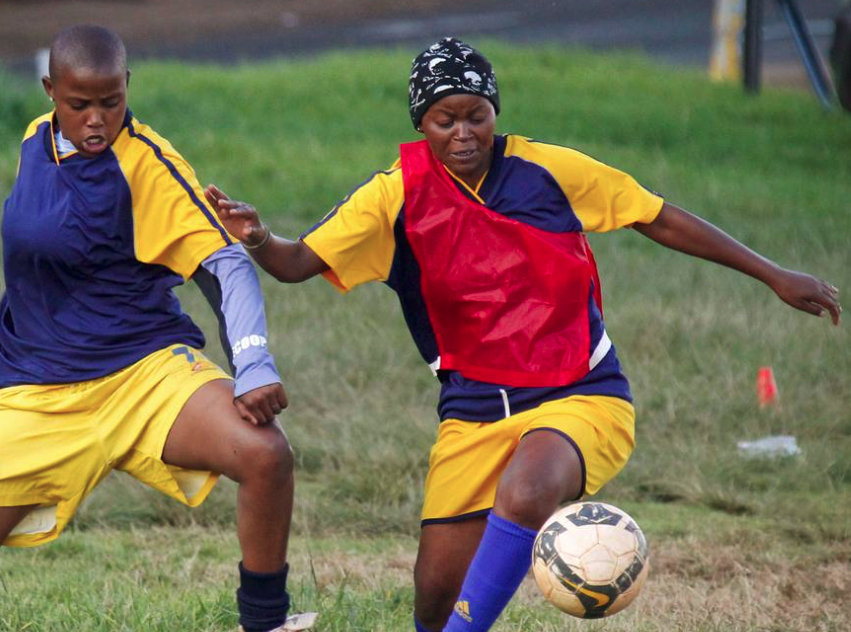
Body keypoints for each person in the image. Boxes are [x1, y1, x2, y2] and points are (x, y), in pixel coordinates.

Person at [204, 37, 842, 632]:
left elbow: (660, 218)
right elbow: (295, 264)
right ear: (419, 125)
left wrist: (773, 273)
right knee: (435, 599)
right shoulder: (393, 198)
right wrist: (258, 236)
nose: (462, 133)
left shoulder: (549, 170)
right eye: (443, 120)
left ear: (494, 111)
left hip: (579, 394)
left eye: (475, 115)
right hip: (473, 414)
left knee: (529, 490)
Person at [0, 25, 314, 632]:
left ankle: (264, 623)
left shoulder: (146, 164)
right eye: (80, 105)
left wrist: (253, 364)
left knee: (264, 452)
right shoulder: (33, 142)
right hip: (39, 395)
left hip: (143, 375)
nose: (97, 120)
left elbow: (225, 264)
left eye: (112, 102)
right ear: (51, 92)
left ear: (128, 87)